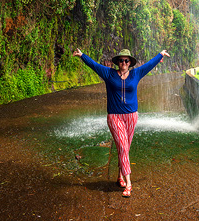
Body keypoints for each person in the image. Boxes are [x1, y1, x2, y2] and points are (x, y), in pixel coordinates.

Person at [73, 47, 170, 197]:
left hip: (132, 116)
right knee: (123, 148)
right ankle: (129, 183)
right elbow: (94, 65)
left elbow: (149, 65)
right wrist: (82, 55)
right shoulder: (109, 73)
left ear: (130, 62)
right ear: (117, 62)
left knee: (125, 148)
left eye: (126, 60)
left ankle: (119, 176)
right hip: (115, 117)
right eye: (121, 60)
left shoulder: (135, 74)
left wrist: (160, 55)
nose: (123, 62)